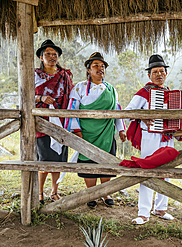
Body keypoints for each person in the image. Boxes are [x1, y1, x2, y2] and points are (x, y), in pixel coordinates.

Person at [65, 52, 126, 209]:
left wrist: (121, 129)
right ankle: (91, 193)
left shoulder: (111, 89)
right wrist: (77, 133)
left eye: (102, 66)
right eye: (96, 66)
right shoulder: (79, 88)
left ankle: (105, 193)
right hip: (86, 134)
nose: (100, 69)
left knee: (106, 162)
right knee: (88, 163)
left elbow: (117, 110)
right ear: (88, 69)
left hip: (106, 133)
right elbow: (72, 110)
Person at [125, 54, 175, 225]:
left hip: (168, 137)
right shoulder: (144, 92)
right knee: (147, 171)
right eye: (155, 72)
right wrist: (141, 117)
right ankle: (143, 212)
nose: (159, 74)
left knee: (166, 172)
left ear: (166, 73)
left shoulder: (170, 93)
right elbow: (128, 112)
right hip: (151, 136)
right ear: (149, 75)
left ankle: (161, 208)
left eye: (162, 71)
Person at [35, 40, 74, 205]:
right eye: (48, 54)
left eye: (54, 54)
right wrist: (41, 97)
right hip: (42, 122)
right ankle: (40, 192)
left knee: (59, 157)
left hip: (61, 121)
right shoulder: (34, 75)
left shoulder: (64, 76)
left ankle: (54, 191)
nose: (52, 57)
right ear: (41, 57)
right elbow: (24, 96)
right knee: (44, 158)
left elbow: (71, 96)